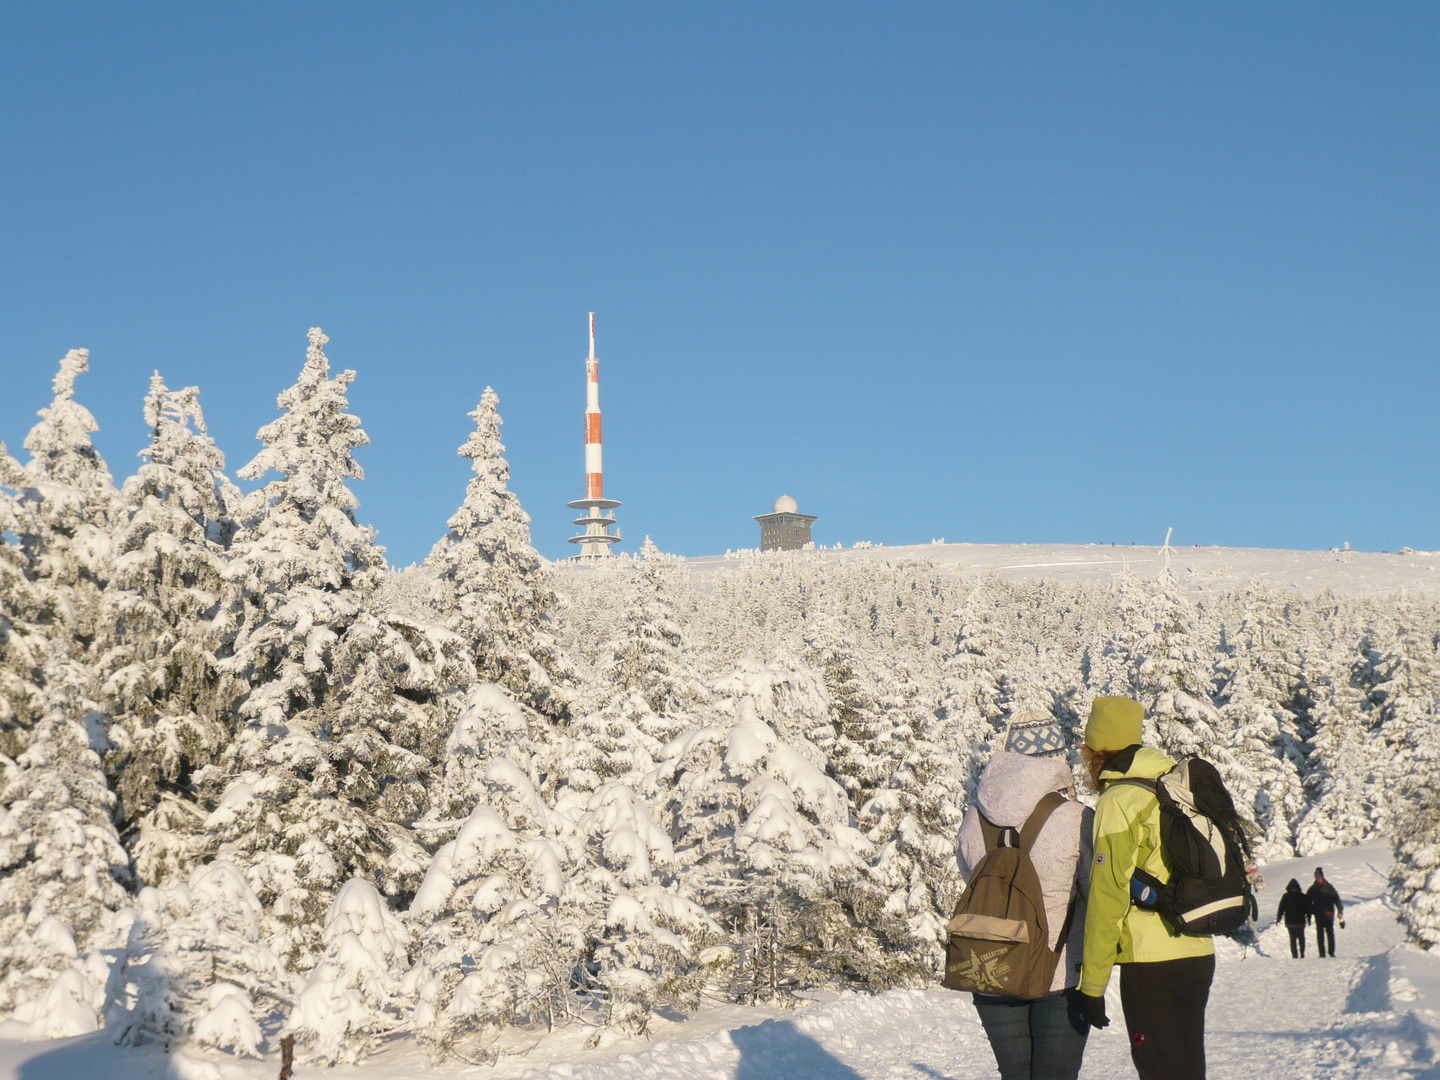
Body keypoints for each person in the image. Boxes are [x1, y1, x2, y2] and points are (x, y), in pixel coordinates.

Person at [1076, 696, 1216, 1080]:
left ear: (1098, 751)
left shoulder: (1119, 800)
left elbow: (1108, 897)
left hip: (1151, 965)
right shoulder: (1173, 786)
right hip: (1198, 953)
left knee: (1159, 1071)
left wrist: (1092, 985)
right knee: (1187, 1071)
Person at [956, 711, 1094, 1080]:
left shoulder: (973, 818)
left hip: (990, 962)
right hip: (1059, 970)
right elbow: (1092, 888)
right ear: (1056, 760)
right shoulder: (1078, 818)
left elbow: (972, 876)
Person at [1306, 867, 1345, 958]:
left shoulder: (1329, 887)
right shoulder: (1312, 889)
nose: (1317, 877)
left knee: (1330, 934)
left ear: (1322, 876)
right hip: (1318, 915)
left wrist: (1340, 911)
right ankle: (1322, 954)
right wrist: (1309, 914)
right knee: (1320, 935)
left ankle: (1331, 953)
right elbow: (1307, 903)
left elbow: (1336, 899)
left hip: (1329, 914)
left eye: (1319, 875)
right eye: (1316, 876)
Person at [1275, 879, 1310, 959]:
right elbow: (1281, 908)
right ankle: (1295, 956)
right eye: (1292, 888)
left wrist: (1308, 917)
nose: (1294, 889)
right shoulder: (1286, 897)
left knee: (1301, 939)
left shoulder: (1302, 896)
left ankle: (1302, 954)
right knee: (1293, 940)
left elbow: (1307, 908)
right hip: (1291, 923)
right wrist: (1278, 917)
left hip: (1300, 922)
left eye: (1295, 888)